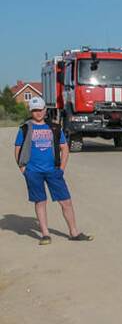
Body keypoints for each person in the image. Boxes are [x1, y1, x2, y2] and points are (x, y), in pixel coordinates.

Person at [13, 97, 92, 245]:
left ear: (45, 110)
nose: (38, 113)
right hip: (33, 172)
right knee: (40, 202)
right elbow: (17, 150)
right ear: (31, 111)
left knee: (66, 202)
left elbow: (64, 149)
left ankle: (74, 232)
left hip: (53, 171)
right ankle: (45, 234)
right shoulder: (24, 128)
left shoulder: (54, 128)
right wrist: (24, 169)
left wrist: (61, 169)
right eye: (34, 110)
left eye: (40, 110)